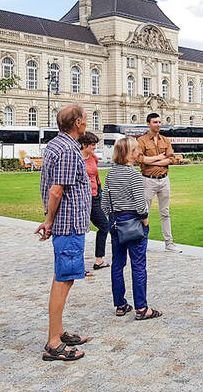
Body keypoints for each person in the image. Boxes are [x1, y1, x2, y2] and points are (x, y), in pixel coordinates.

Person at [35, 104, 92, 362]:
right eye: (85, 118)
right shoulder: (69, 149)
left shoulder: (55, 145)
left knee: (63, 277)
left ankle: (58, 332)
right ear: (77, 123)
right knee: (63, 279)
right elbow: (56, 190)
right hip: (69, 223)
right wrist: (49, 221)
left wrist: (49, 220)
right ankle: (54, 342)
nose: (87, 121)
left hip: (66, 222)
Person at [102, 137, 164, 320]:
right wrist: (145, 219)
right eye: (136, 150)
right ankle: (142, 308)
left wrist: (113, 217)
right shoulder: (133, 175)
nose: (139, 153)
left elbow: (105, 202)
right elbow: (140, 203)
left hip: (115, 221)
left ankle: (120, 304)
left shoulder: (111, 174)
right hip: (133, 221)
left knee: (117, 264)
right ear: (129, 154)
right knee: (138, 265)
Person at [135, 113, 177, 252]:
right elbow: (140, 159)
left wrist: (152, 160)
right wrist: (159, 158)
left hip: (164, 180)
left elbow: (171, 159)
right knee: (143, 212)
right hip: (148, 181)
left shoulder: (165, 140)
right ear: (148, 124)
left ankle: (169, 243)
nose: (158, 124)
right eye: (155, 122)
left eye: (159, 122)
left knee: (165, 212)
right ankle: (141, 242)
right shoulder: (141, 141)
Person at [79, 132, 110, 272]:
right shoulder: (77, 159)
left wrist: (99, 190)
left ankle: (99, 260)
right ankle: (77, 264)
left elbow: (96, 176)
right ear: (84, 145)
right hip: (81, 200)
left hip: (95, 197)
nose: (94, 147)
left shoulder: (93, 158)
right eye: (92, 145)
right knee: (79, 231)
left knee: (104, 226)